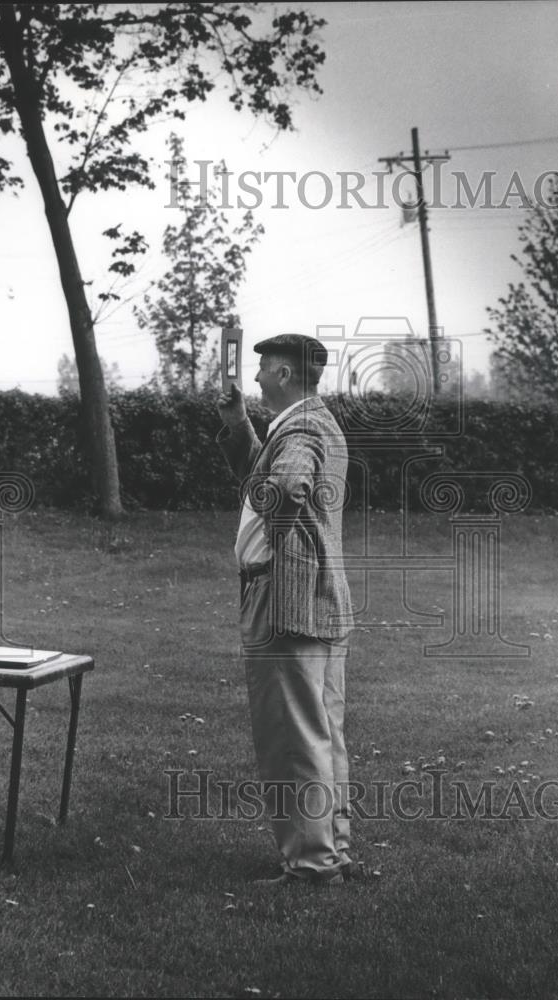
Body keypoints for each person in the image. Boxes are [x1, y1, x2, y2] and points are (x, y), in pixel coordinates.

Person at [216, 333, 355, 887]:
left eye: (263, 370)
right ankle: (331, 851)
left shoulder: (299, 429)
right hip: (317, 599)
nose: (255, 380)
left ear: (283, 375)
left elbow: (287, 484)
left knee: (291, 735)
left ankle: (311, 865)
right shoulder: (310, 423)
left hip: (286, 598)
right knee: (321, 731)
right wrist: (237, 425)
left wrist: (274, 547)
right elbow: (268, 476)